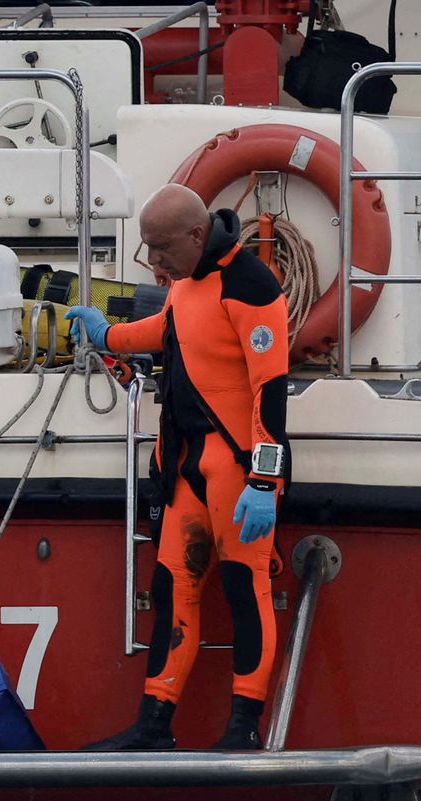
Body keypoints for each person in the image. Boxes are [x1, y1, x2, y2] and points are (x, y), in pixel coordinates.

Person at [65, 184, 290, 751]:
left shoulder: (252, 286)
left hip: (238, 469)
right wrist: (104, 333)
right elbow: (167, 331)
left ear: (196, 235)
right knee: (171, 589)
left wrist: (264, 480)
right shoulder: (186, 283)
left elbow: (271, 390)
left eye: (160, 249)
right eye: (148, 251)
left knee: (245, 588)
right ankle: (154, 725)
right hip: (187, 463)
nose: (154, 263)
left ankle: (243, 729)